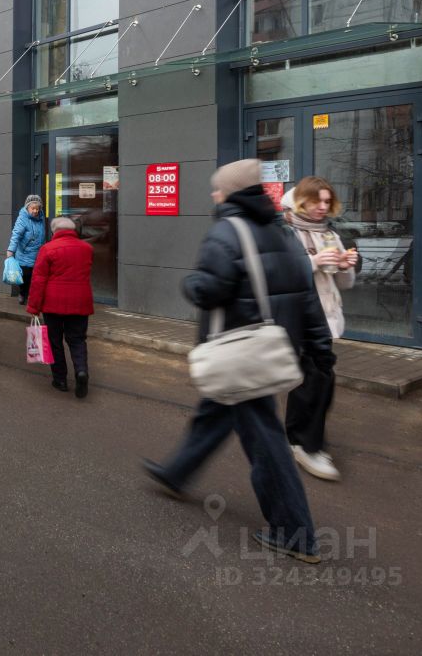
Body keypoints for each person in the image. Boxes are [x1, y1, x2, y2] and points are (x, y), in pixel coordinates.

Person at [141, 159, 335, 564]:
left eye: (218, 189)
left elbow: (209, 289)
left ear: (230, 192)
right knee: (214, 412)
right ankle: (176, 473)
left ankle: (295, 533)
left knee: (266, 442)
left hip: (240, 352)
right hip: (269, 348)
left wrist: (190, 282)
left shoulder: (226, 232)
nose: (214, 194)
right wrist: (320, 348)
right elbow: (307, 296)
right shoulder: (283, 232)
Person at [280, 179, 358, 482]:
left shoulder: (329, 233)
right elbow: (279, 277)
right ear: (302, 201)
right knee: (315, 380)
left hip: (324, 317)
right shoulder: (286, 232)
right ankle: (306, 445)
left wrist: (345, 265)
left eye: (327, 202)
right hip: (299, 319)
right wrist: (312, 261)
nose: (322, 207)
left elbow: (342, 283)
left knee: (313, 380)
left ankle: (299, 440)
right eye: (316, 201)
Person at [26, 216, 95, 398]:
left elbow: (38, 280)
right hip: (80, 302)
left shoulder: (47, 249)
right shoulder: (87, 249)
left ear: (54, 231)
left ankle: (60, 380)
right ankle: (81, 371)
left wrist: (33, 307)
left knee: (54, 341)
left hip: (53, 303)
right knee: (77, 340)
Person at [6, 194, 46, 304]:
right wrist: (10, 251)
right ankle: (22, 293)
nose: (35, 211)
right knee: (26, 277)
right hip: (25, 253)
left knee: (35, 277)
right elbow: (16, 235)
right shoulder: (22, 218)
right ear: (27, 207)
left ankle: (31, 296)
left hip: (38, 253)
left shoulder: (41, 218)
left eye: (37, 208)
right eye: (33, 208)